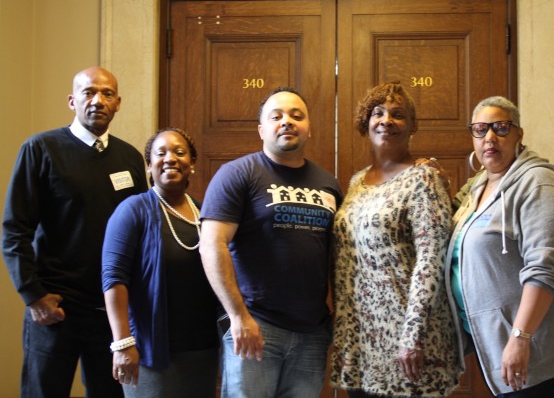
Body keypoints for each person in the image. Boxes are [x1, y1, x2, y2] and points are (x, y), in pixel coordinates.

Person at [2, 66, 148, 398]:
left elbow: (141, 232)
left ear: (118, 103)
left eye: (107, 94)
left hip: (109, 311)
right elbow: (15, 230)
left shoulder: (130, 158)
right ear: (72, 100)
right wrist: (33, 295)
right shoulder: (41, 149)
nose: (98, 100)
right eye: (89, 92)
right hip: (55, 310)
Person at [198, 87, 343, 398]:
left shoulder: (329, 184)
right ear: (262, 129)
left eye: (296, 115)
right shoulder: (238, 174)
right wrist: (238, 316)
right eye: (276, 116)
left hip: (313, 333)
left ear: (309, 127)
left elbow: (338, 257)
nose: (287, 122)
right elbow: (212, 245)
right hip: (256, 326)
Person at [330, 82, 462, 397]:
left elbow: (431, 259)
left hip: (408, 343)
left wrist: (411, 336)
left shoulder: (423, 178)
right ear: (367, 121)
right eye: (378, 113)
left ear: (412, 125)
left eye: (397, 114)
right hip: (361, 342)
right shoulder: (356, 182)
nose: (386, 120)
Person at [445, 96, 554, 397]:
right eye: (481, 129)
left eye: (501, 128)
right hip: (489, 339)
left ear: (519, 134)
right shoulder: (480, 185)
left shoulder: (540, 185)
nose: (490, 137)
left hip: (526, 343)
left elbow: (546, 270)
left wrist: (521, 337)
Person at [102, 128, 219, 397]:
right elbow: (113, 279)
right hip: (149, 350)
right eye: (161, 153)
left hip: (202, 350)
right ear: (149, 163)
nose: (170, 158)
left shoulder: (205, 213)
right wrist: (122, 343)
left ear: (192, 164)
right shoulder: (132, 210)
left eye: (180, 152)